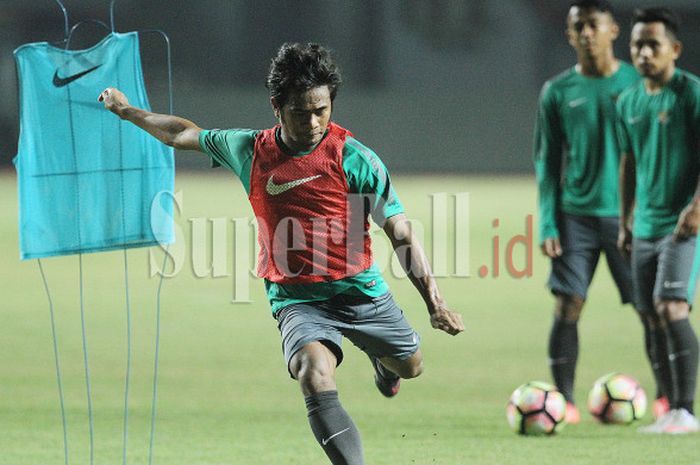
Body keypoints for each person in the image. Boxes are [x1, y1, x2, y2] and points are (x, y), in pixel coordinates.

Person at [99, 42, 464, 464]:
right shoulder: (249, 150)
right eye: (300, 111)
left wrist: (435, 303)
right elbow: (182, 133)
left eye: (321, 110)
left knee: (411, 366)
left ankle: (383, 363)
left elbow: (399, 230)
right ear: (277, 106)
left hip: (361, 292)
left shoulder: (355, 159)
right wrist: (126, 111)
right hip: (297, 299)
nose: (312, 122)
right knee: (313, 373)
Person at [533, 0, 641, 424]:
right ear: (570, 34)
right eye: (578, 26)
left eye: (594, 24)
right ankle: (564, 402)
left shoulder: (638, 83)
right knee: (568, 304)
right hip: (575, 215)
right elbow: (546, 161)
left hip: (629, 216)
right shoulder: (557, 91)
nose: (586, 33)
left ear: (614, 30)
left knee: (653, 309)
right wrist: (546, 221)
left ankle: (673, 399)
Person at [617, 7, 700, 434]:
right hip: (644, 225)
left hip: (683, 224)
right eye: (637, 45)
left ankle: (686, 410)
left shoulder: (692, 94)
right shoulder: (629, 100)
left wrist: (697, 207)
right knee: (649, 314)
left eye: (653, 44)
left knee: (672, 307)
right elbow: (628, 162)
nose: (644, 52)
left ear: (675, 49)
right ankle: (669, 407)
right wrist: (626, 219)